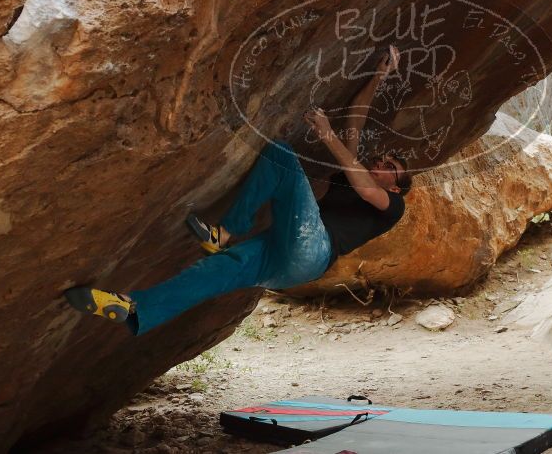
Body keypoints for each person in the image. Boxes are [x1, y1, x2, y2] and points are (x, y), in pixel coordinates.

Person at [65, 46, 412, 335]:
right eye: (383, 158)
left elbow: (367, 191)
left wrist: (325, 133)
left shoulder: (393, 206)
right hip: (286, 258)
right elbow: (356, 116)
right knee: (213, 272)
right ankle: (136, 308)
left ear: (395, 186)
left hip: (314, 250)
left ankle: (228, 230)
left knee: (282, 156)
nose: (381, 162)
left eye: (390, 168)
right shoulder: (350, 174)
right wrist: (379, 76)